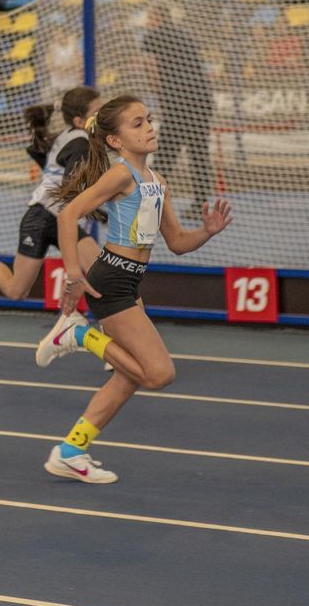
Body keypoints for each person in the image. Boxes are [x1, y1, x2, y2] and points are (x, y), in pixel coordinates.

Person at [35, 95, 232, 484]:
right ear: (116, 141)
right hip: (111, 279)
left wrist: (206, 233)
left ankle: (72, 450)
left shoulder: (158, 182)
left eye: (149, 120)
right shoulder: (120, 174)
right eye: (138, 124)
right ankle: (76, 333)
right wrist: (73, 273)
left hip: (130, 281)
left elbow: (176, 241)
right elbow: (69, 213)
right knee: (158, 374)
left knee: (128, 377)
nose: (150, 127)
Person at [0, 86, 104, 299]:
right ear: (79, 121)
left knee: (106, 278)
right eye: (98, 113)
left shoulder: (72, 136)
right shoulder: (80, 143)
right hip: (42, 219)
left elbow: (45, 160)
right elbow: (72, 195)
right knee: (16, 291)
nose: (104, 115)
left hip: (58, 216)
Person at [142, 4, 214, 224]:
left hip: (179, 102)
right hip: (201, 100)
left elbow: (151, 67)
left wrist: (161, 99)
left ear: (156, 17)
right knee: (199, 154)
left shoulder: (152, 36)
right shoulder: (184, 34)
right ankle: (201, 204)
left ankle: (150, 204)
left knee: (165, 154)